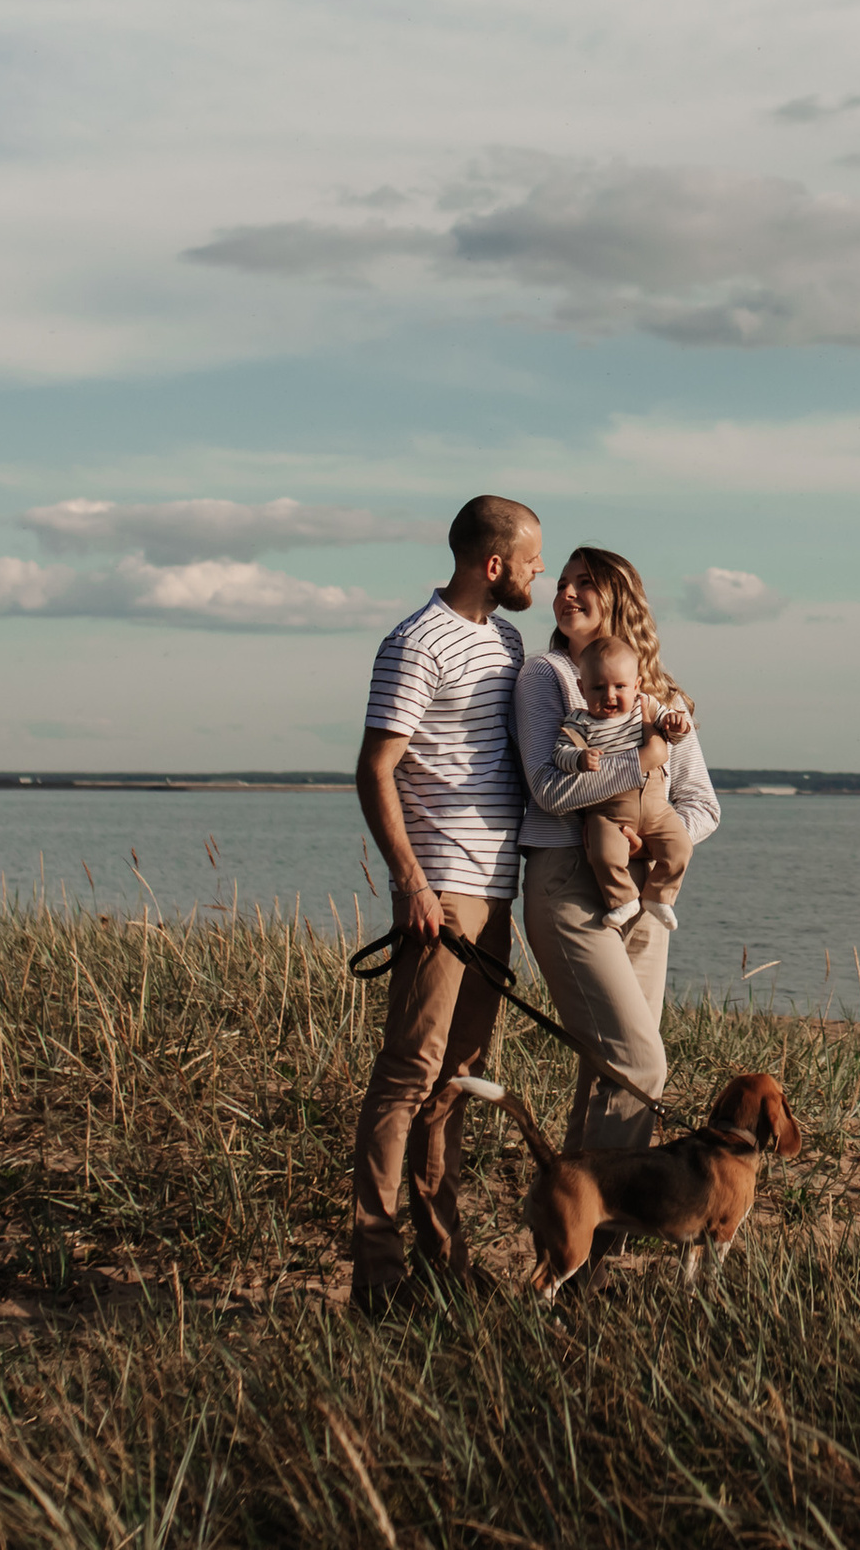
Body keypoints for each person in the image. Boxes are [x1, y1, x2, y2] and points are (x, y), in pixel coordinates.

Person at [348, 492, 542, 1317]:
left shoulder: (507, 639)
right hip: (442, 892)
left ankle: (444, 1259)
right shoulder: (414, 643)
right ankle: (376, 1273)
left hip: (497, 892)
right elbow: (374, 768)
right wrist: (410, 882)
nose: (540, 571)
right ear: (493, 564)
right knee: (408, 1074)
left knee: (456, 1082)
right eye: (533, 559)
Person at [517, 546, 720, 1163]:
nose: (567, 594)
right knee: (639, 1064)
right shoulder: (546, 677)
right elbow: (549, 789)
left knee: (609, 1074)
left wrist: (651, 832)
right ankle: (602, 1233)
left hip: (644, 896)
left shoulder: (659, 699)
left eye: (586, 584)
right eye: (562, 583)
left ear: (619, 599)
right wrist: (639, 765)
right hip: (569, 884)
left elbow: (703, 806)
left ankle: (577, 1246)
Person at [553, 632, 694, 938]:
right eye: (598, 688)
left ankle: (659, 895)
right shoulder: (580, 722)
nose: (610, 696)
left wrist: (678, 725)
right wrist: (579, 759)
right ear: (582, 688)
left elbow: (673, 726)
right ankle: (623, 899)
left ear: (637, 685)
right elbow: (560, 753)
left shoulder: (646, 707)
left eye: (620, 687)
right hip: (610, 810)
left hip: (656, 806)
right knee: (603, 854)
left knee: (681, 847)